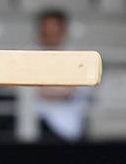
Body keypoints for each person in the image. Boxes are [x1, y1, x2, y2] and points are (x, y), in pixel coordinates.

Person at [35, 9, 91, 141]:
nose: (50, 37)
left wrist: (49, 90)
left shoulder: (79, 59)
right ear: (40, 33)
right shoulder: (27, 57)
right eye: (46, 33)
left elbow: (78, 91)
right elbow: (29, 92)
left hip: (70, 124)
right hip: (37, 123)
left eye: (54, 32)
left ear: (63, 32)